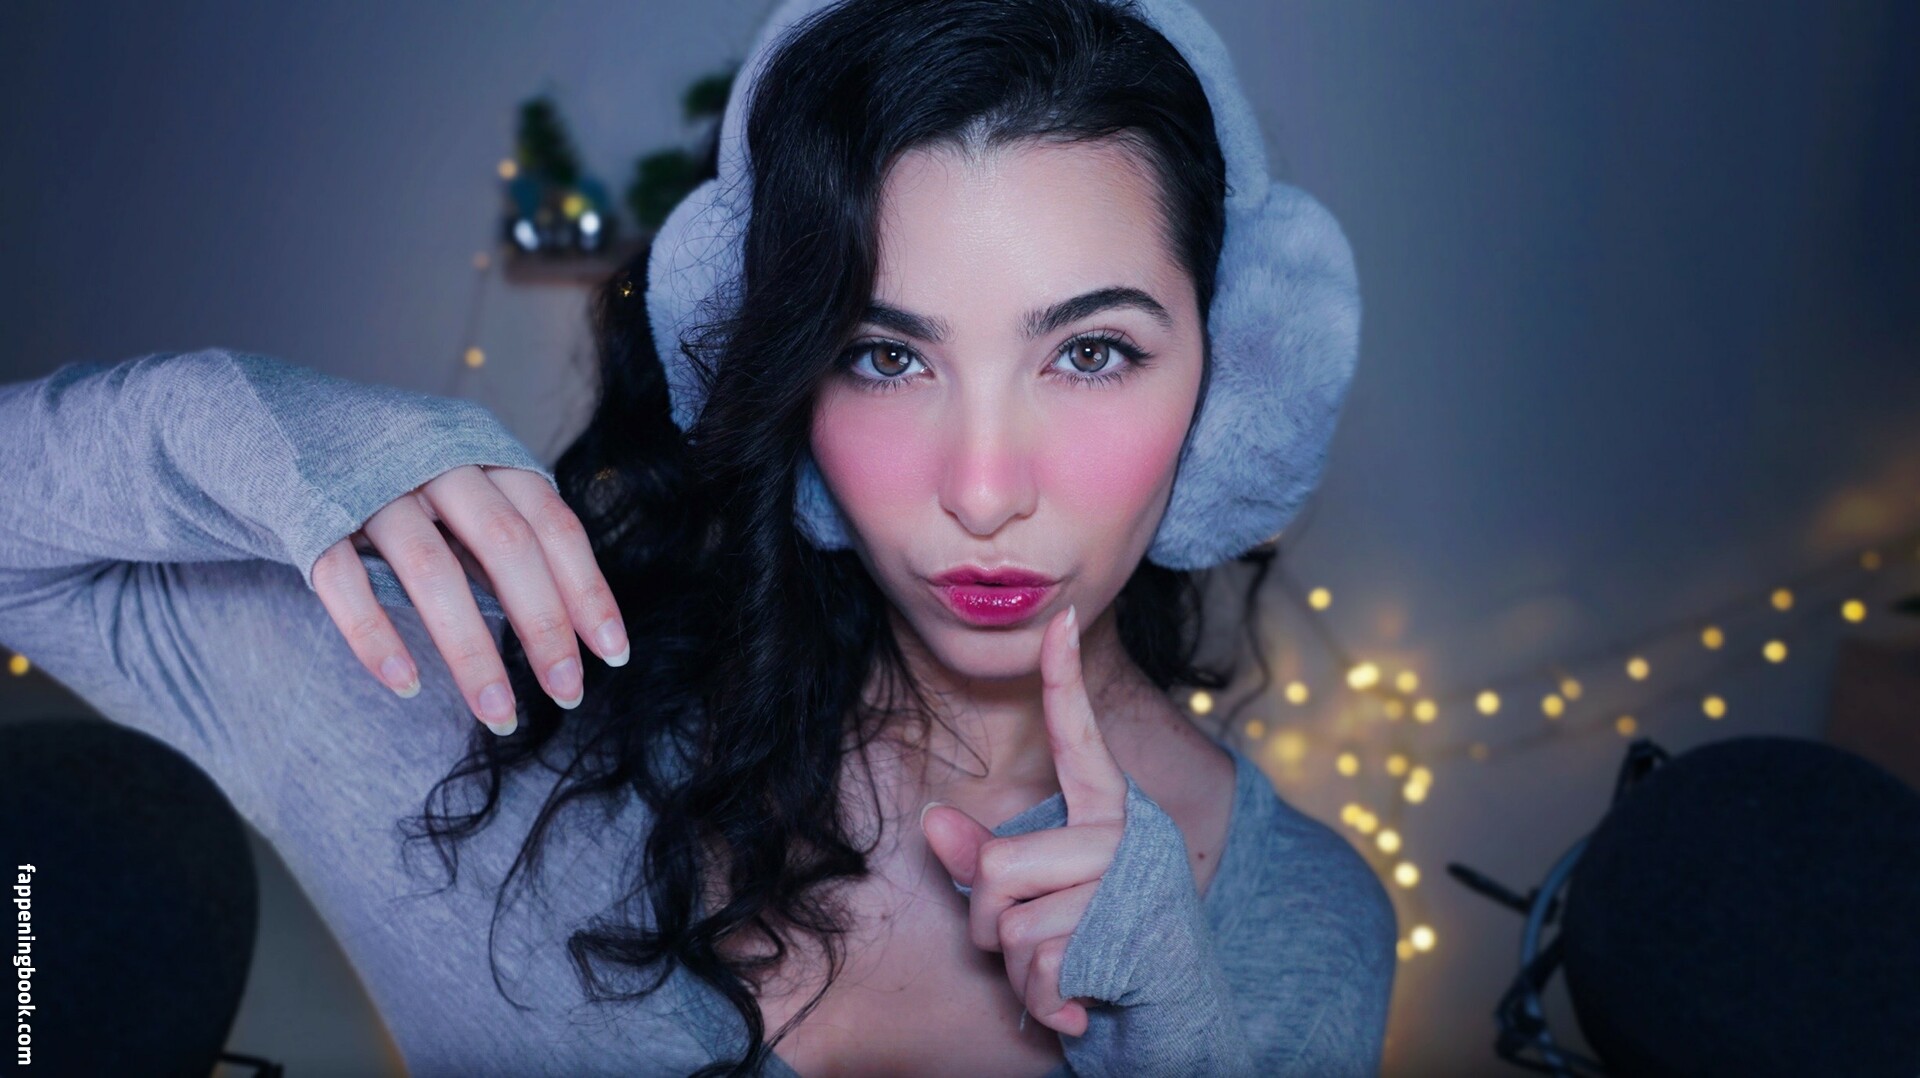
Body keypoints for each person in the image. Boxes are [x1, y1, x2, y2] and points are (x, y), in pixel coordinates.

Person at [0, 0, 1396, 1074]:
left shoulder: (1307, 926)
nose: (983, 490)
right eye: (884, 356)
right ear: (791, 384)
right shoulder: (485, 719)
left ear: (1235, 388)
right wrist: (229, 427)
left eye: (1090, 353)